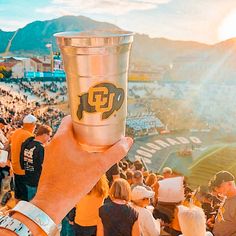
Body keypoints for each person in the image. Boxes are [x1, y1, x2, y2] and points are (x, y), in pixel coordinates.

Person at [0, 116, 133, 236]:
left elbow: (10, 148)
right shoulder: (36, 145)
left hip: (23, 177)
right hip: (34, 185)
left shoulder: (21, 137)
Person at [20, 124, 52, 201]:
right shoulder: (41, 148)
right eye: (49, 136)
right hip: (37, 182)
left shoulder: (28, 143)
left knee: (30, 202)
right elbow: (43, 165)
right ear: (44, 134)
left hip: (28, 177)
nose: (49, 138)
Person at [10, 114, 37, 201]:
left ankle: (15, 210)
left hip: (15, 167)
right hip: (23, 170)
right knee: (25, 196)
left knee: (18, 194)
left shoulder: (16, 132)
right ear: (32, 125)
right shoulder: (29, 136)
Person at [209, 171, 236, 236]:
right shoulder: (226, 197)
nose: (217, 190)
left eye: (218, 187)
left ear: (229, 184)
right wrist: (214, 224)